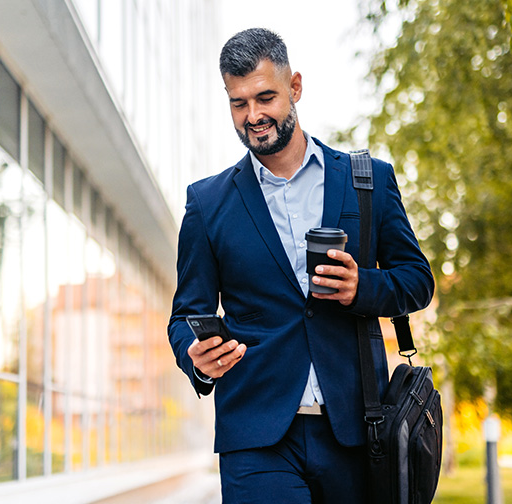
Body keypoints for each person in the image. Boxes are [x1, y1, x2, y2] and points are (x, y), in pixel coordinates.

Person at [167, 28, 434, 503]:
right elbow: (185, 313)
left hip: (355, 429)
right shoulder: (207, 203)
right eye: (238, 103)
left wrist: (360, 287)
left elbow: (417, 281)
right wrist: (197, 357)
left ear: (295, 88)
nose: (253, 116)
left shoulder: (367, 180)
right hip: (255, 435)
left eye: (265, 97)